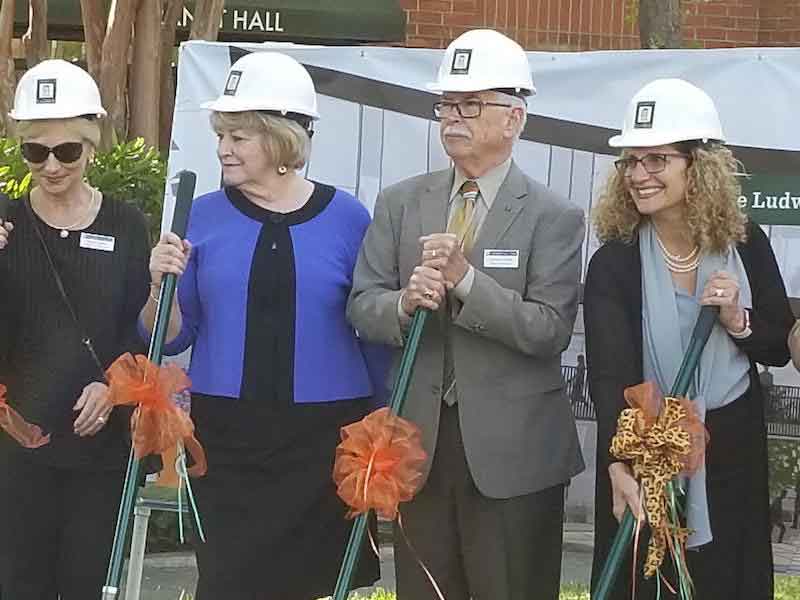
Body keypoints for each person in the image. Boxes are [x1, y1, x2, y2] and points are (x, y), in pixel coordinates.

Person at [347, 29, 585, 600]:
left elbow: (549, 330)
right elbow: (362, 306)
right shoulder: (401, 203)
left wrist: (467, 282)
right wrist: (404, 303)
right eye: (447, 105)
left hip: (515, 455)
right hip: (420, 446)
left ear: (514, 119)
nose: (453, 117)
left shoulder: (554, 216)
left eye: (471, 105)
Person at [142, 51, 380, 599]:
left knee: (317, 583)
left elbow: (370, 328)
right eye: (221, 134)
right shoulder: (199, 215)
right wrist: (160, 286)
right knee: (229, 582)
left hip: (325, 440)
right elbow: (173, 333)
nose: (223, 147)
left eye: (239, 136)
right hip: (229, 441)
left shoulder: (349, 218)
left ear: (280, 140)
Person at [584, 78, 795, 600]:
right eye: (631, 162)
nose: (639, 174)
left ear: (696, 165)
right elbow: (608, 373)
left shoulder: (746, 243)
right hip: (644, 452)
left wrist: (735, 320)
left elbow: (773, 344)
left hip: (731, 447)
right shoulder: (614, 261)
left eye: (656, 160)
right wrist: (619, 465)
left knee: (727, 578)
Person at [0, 59, 150, 599]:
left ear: (91, 147)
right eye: (35, 152)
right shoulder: (5, 221)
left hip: (98, 450)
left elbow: (142, 329)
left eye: (67, 151)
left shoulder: (126, 224)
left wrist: (114, 385)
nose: (51, 166)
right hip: (16, 450)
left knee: (89, 584)